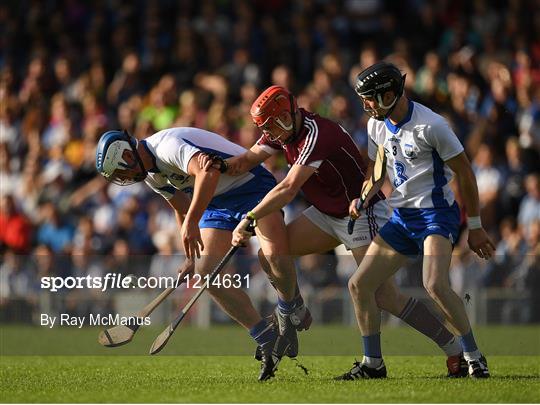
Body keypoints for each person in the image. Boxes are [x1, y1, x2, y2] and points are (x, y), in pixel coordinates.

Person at [200, 85, 469, 378]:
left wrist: (249, 217)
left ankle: (452, 348)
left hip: (360, 212)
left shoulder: (317, 134)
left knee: (385, 297)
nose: (272, 133)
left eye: (273, 125)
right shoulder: (283, 132)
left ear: (287, 115)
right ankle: (292, 310)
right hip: (327, 214)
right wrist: (216, 166)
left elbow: (289, 188)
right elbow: (245, 161)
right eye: (267, 128)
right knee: (272, 254)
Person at [94, 127, 309, 381]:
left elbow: (208, 171)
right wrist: (189, 255)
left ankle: (290, 307)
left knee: (273, 256)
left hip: (252, 185)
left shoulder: (167, 146)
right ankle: (266, 337)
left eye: (122, 171)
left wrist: (192, 222)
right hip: (216, 203)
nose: (126, 177)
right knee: (205, 272)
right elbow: (180, 206)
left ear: (127, 156)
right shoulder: (152, 175)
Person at [344, 61, 495, 379]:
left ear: (389, 94)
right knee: (359, 285)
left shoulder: (432, 125)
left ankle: (473, 355)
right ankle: (373, 364)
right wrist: (364, 196)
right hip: (401, 218)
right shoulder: (377, 124)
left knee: (435, 284)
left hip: (436, 215)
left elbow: (466, 174)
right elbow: (378, 169)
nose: (366, 105)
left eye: (370, 98)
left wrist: (477, 227)